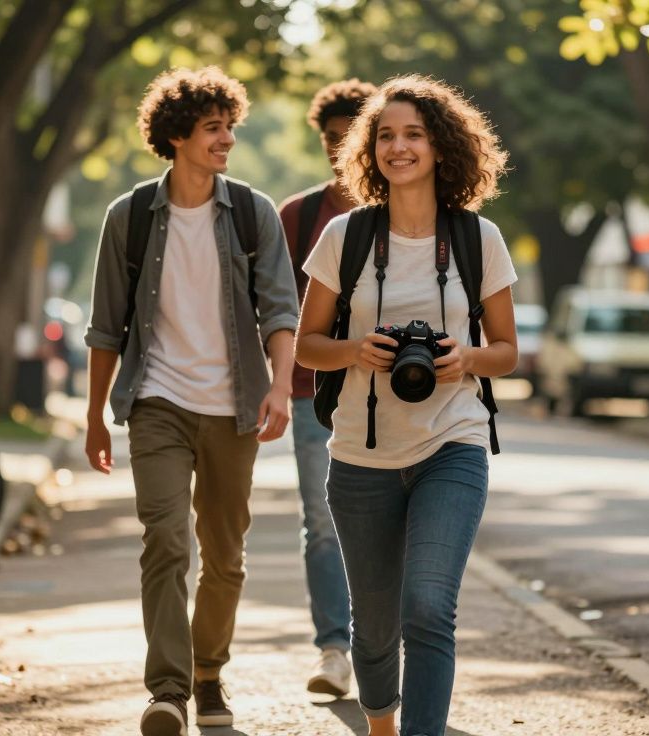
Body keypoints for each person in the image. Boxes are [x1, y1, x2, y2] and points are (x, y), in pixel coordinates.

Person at [295, 76, 518, 736]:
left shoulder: (479, 240)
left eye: (414, 134)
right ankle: (382, 725)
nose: (399, 146)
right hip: (362, 457)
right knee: (373, 624)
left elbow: (505, 350)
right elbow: (307, 346)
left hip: (453, 443)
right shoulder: (346, 236)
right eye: (385, 135)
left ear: (443, 146)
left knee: (427, 605)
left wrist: (466, 360)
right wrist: (356, 349)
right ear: (368, 150)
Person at [82, 67, 299, 736]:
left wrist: (282, 385)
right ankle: (168, 691)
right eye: (214, 128)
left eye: (229, 126)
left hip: (234, 405)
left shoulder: (254, 212)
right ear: (177, 136)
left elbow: (280, 308)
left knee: (225, 555)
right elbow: (105, 326)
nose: (227, 139)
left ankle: (209, 671)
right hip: (158, 402)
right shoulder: (131, 218)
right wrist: (94, 413)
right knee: (167, 542)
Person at [277, 77, 377, 698]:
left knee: (386, 524)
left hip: (398, 395)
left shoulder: (408, 209)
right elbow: (277, 309)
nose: (341, 150)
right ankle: (334, 649)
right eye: (331, 140)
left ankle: (380, 647)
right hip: (316, 394)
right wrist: (275, 384)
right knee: (323, 522)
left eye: (351, 138)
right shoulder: (300, 215)